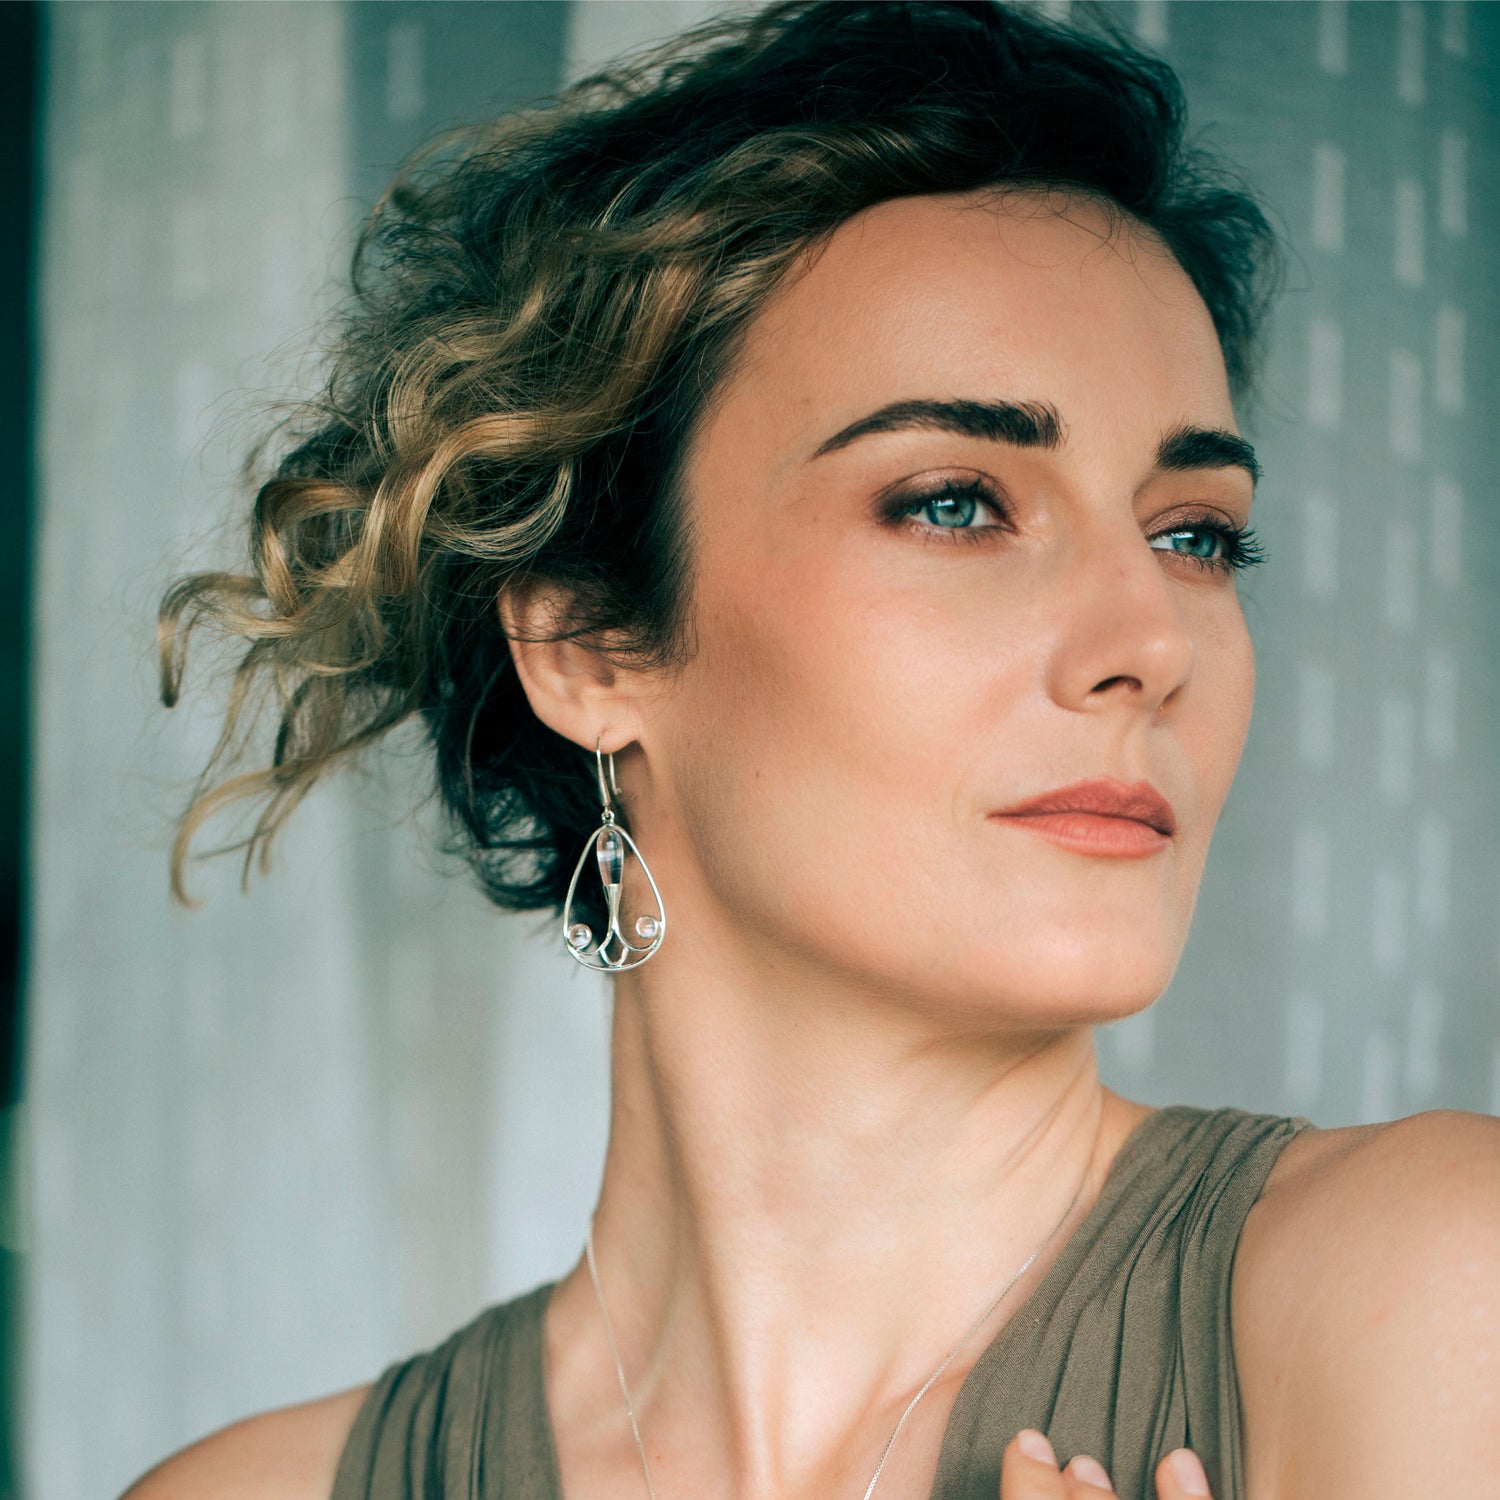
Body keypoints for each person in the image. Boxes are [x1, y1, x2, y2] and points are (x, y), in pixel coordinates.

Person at [127, 2, 1499, 1498]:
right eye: (957, 503)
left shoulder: (1437, 1295)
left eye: (1195, 534)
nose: (1152, 641)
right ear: (588, 643)